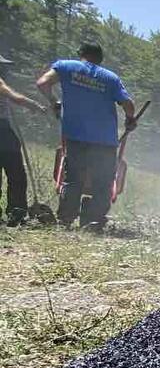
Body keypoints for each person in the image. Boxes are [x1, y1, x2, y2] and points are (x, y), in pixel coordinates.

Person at [36, 42, 136, 230]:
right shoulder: (110, 78)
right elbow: (128, 104)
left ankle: (65, 220)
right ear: (100, 59)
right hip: (105, 141)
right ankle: (92, 222)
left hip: (75, 136)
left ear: (81, 54)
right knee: (102, 183)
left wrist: (54, 102)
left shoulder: (66, 66)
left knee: (73, 179)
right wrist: (130, 119)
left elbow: (42, 83)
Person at [0, 52, 47, 226]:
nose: (4, 70)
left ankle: (15, 212)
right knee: (16, 174)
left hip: (4, 128)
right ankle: (16, 212)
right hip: (2, 131)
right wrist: (34, 105)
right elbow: (15, 97)